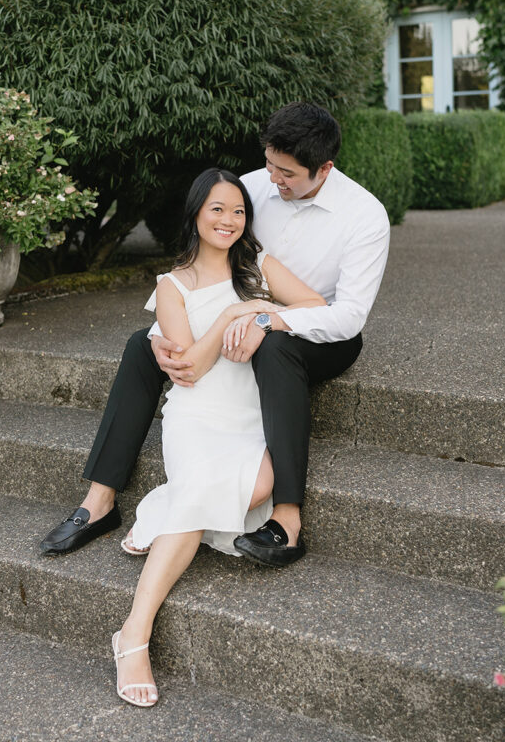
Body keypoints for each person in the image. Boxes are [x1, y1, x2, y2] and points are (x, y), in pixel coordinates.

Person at [39, 102, 390, 568]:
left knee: (277, 347)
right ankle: (99, 498)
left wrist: (264, 319)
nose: (273, 180)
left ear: (323, 168)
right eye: (269, 164)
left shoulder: (365, 216)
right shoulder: (255, 186)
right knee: (140, 344)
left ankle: (287, 519)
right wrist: (168, 329)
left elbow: (347, 316)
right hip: (243, 305)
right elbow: (217, 255)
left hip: (317, 329)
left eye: (286, 173)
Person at [111, 167, 326, 707]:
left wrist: (263, 311)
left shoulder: (262, 268)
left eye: (239, 211)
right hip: (199, 417)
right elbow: (189, 368)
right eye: (218, 210)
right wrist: (233, 308)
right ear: (196, 214)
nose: (230, 220)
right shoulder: (171, 286)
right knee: (212, 490)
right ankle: (133, 635)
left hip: (253, 416)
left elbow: (321, 309)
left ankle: (163, 505)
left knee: (260, 487)